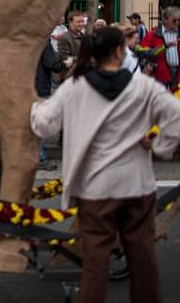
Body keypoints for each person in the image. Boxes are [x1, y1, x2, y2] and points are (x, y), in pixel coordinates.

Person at [31, 26, 180, 303]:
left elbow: (43, 124)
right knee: (143, 259)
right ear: (120, 51)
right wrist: (159, 145)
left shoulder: (74, 88)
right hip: (136, 184)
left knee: (95, 262)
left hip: (95, 187)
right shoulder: (143, 86)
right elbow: (177, 117)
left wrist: (33, 106)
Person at [35, 39, 62, 171]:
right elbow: (51, 63)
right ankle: (40, 159)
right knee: (40, 125)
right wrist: (63, 63)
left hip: (25, 87)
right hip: (40, 87)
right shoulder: (43, 41)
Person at [140, 6, 180, 92]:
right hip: (160, 75)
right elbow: (143, 53)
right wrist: (163, 47)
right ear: (165, 20)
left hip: (178, 75)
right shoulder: (152, 34)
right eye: (174, 20)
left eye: (179, 20)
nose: (177, 23)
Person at [58, 10, 85, 82]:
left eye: (82, 21)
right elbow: (63, 57)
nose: (81, 24)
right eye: (78, 22)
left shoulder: (83, 36)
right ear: (70, 22)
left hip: (82, 75)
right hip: (70, 77)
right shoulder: (65, 37)